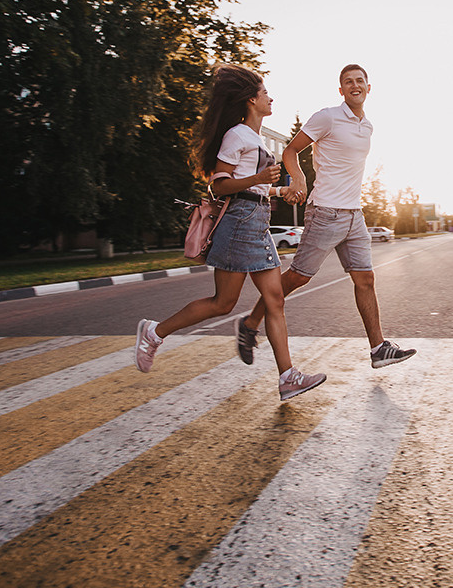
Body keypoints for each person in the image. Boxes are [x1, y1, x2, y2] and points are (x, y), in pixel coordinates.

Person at [134, 64, 326, 401]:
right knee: (222, 303)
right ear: (251, 99)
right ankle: (154, 331)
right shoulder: (237, 134)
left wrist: (279, 191)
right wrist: (258, 179)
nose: (270, 98)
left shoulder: (253, 137)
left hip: (257, 221)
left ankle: (288, 378)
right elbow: (219, 184)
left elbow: (254, 188)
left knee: (275, 299)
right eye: (265, 93)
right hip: (240, 224)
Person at [235, 64, 417, 369]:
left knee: (366, 279)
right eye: (349, 82)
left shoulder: (367, 126)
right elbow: (290, 151)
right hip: (325, 212)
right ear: (341, 90)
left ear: (369, 87)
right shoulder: (327, 117)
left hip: (354, 214)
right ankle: (250, 324)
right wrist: (299, 180)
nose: (355, 85)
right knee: (298, 277)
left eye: (360, 81)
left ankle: (378, 348)